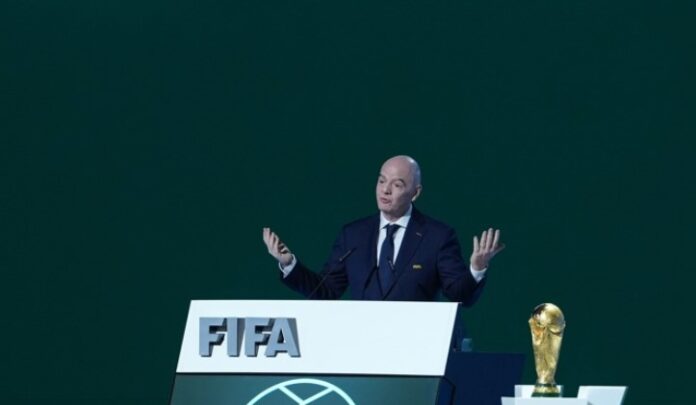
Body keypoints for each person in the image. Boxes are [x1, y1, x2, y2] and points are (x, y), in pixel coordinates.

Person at [262, 155, 504, 303]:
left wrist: (476, 268)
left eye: (397, 185)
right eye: (381, 181)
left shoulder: (437, 237)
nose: (385, 190)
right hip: (363, 349)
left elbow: (459, 295)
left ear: (415, 193)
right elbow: (326, 290)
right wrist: (289, 264)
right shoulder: (353, 235)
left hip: (416, 352)